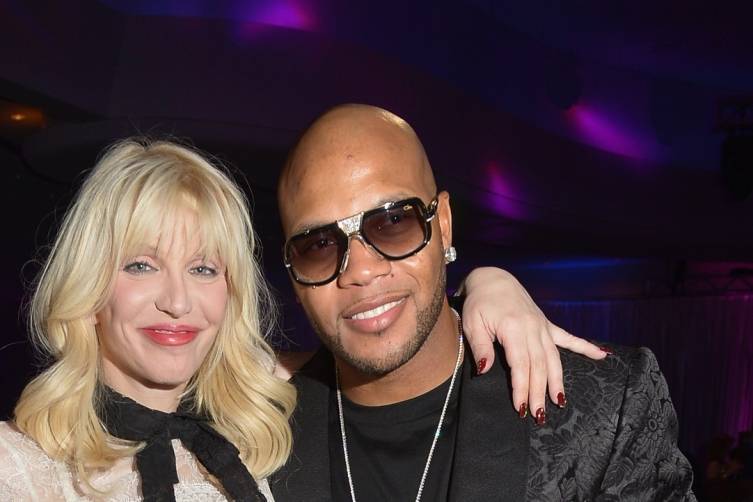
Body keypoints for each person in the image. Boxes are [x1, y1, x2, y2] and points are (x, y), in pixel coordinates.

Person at [0, 138, 598, 500]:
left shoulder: (259, 413)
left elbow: (389, 328)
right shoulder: (19, 466)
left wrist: (487, 284)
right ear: (89, 285)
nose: (177, 301)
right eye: (140, 265)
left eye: (204, 269)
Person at [270, 104, 696, 501]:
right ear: (293, 275)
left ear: (444, 225)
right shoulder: (253, 432)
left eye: (393, 221)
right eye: (318, 245)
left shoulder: (610, 407)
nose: (361, 270)